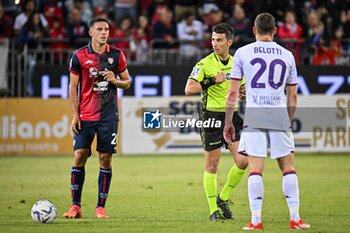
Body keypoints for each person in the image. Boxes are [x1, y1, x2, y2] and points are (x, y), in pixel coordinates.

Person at [223, 13, 310, 230]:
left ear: (254, 30)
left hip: (254, 115)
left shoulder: (242, 53)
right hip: (279, 114)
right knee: (288, 166)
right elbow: (293, 96)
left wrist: (228, 122)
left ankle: (256, 221)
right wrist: (288, 120)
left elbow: (233, 93)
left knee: (255, 168)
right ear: (275, 31)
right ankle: (295, 218)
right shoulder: (287, 55)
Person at [63, 18, 131, 219]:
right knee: (79, 155)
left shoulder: (116, 55)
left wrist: (115, 81)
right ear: (91, 32)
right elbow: (72, 87)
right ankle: (75, 206)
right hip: (85, 115)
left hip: (109, 116)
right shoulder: (79, 56)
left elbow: (127, 82)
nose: (104, 32)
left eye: (107, 29)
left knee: (105, 159)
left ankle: (100, 207)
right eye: (99, 29)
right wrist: (75, 114)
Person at [184, 23, 248, 221]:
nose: (214, 43)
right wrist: (212, 80)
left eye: (219, 40)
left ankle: (223, 197)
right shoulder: (204, 64)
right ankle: (213, 210)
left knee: (244, 161)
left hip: (232, 116)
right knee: (212, 164)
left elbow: (242, 88)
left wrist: (244, 94)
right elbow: (189, 89)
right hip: (211, 116)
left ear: (229, 41)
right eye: (213, 39)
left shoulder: (237, 62)